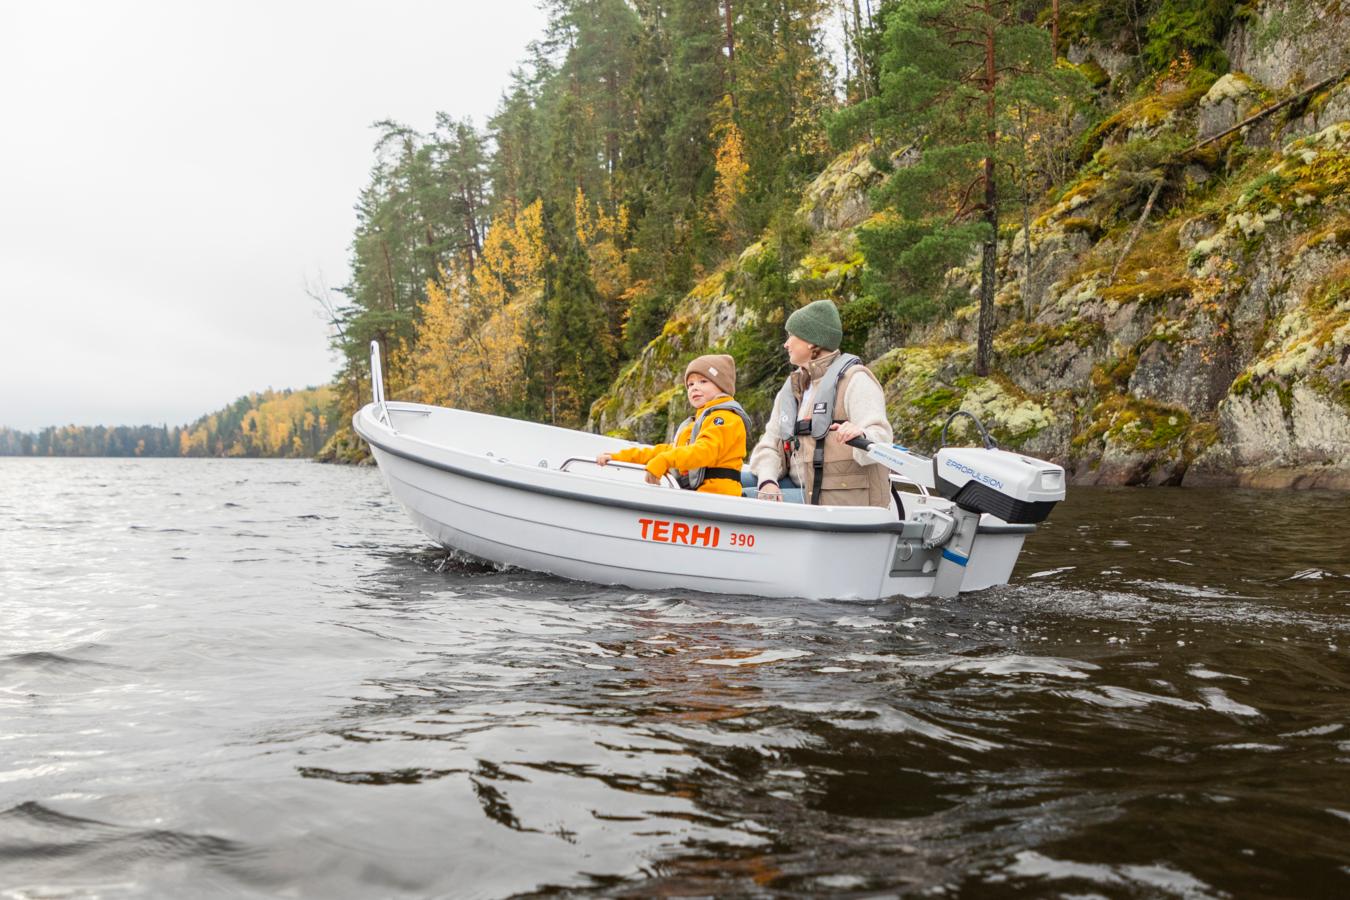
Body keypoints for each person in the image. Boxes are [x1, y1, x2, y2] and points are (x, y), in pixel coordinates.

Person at [750, 299, 894, 507]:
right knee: (736, 488)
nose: (786, 343)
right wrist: (768, 481)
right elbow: (769, 445)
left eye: (791, 336)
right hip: (799, 485)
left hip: (835, 499)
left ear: (811, 341)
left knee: (743, 498)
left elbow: (881, 439)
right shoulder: (791, 389)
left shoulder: (856, 380)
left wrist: (861, 435)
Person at [596, 354, 750, 497]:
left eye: (703, 381)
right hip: (699, 495)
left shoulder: (725, 418)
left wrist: (665, 460)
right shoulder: (697, 423)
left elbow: (704, 451)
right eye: (690, 384)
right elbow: (669, 450)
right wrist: (617, 457)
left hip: (718, 497)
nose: (694, 387)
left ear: (722, 386)